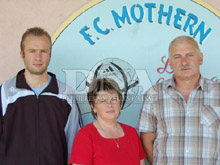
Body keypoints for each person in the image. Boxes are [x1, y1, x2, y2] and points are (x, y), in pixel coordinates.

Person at [0, 27, 80, 165]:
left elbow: (74, 145)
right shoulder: (4, 92)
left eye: (43, 51)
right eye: (32, 51)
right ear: (22, 54)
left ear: (50, 54)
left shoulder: (66, 94)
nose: (38, 57)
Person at [138, 35, 220, 165]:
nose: (184, 62)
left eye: (190, 55)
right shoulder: (154, 94)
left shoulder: (218, 92)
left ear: (201, 58)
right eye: (177, 57)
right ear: (170, 63)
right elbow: (146, 139)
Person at [69, 78, 146, 165]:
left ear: (120, 103)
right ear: (93, 106)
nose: (109, 105)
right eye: (103, 101)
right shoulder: (85, 135)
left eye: (114, 99)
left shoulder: (132, 133)